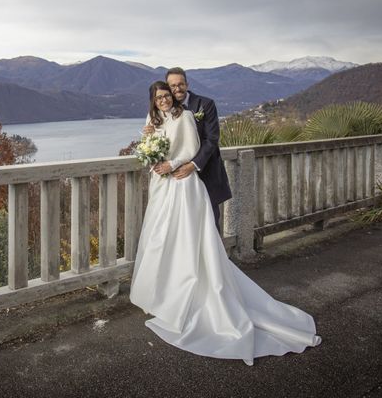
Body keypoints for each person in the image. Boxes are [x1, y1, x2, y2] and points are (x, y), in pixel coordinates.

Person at [130, 81, 321, 366]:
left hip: (182, 184)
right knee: (161, 237)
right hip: (162, 186)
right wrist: (149, 146)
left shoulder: (184, 116)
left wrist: (173, 164)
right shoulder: (152, 119)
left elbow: (193, 148)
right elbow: (151, 150)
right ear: (153, 101)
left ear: (173, 96)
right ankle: (163, 296)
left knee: (186, 238)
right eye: (158, 98)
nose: (163, 101)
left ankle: (190, 295)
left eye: (166, 96)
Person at [144, 67, 231, 233]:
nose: (177, 88)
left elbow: (211, 140)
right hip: (172, 179)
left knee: (209, 224)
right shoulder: (160, 113)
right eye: (173, 86)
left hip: (204, 171)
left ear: (187, 84)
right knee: (175, 226)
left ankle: (211, 259)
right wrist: (149, 134)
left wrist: (192, 165)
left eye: (181, 84)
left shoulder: (205, 104)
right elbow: (160, 141)